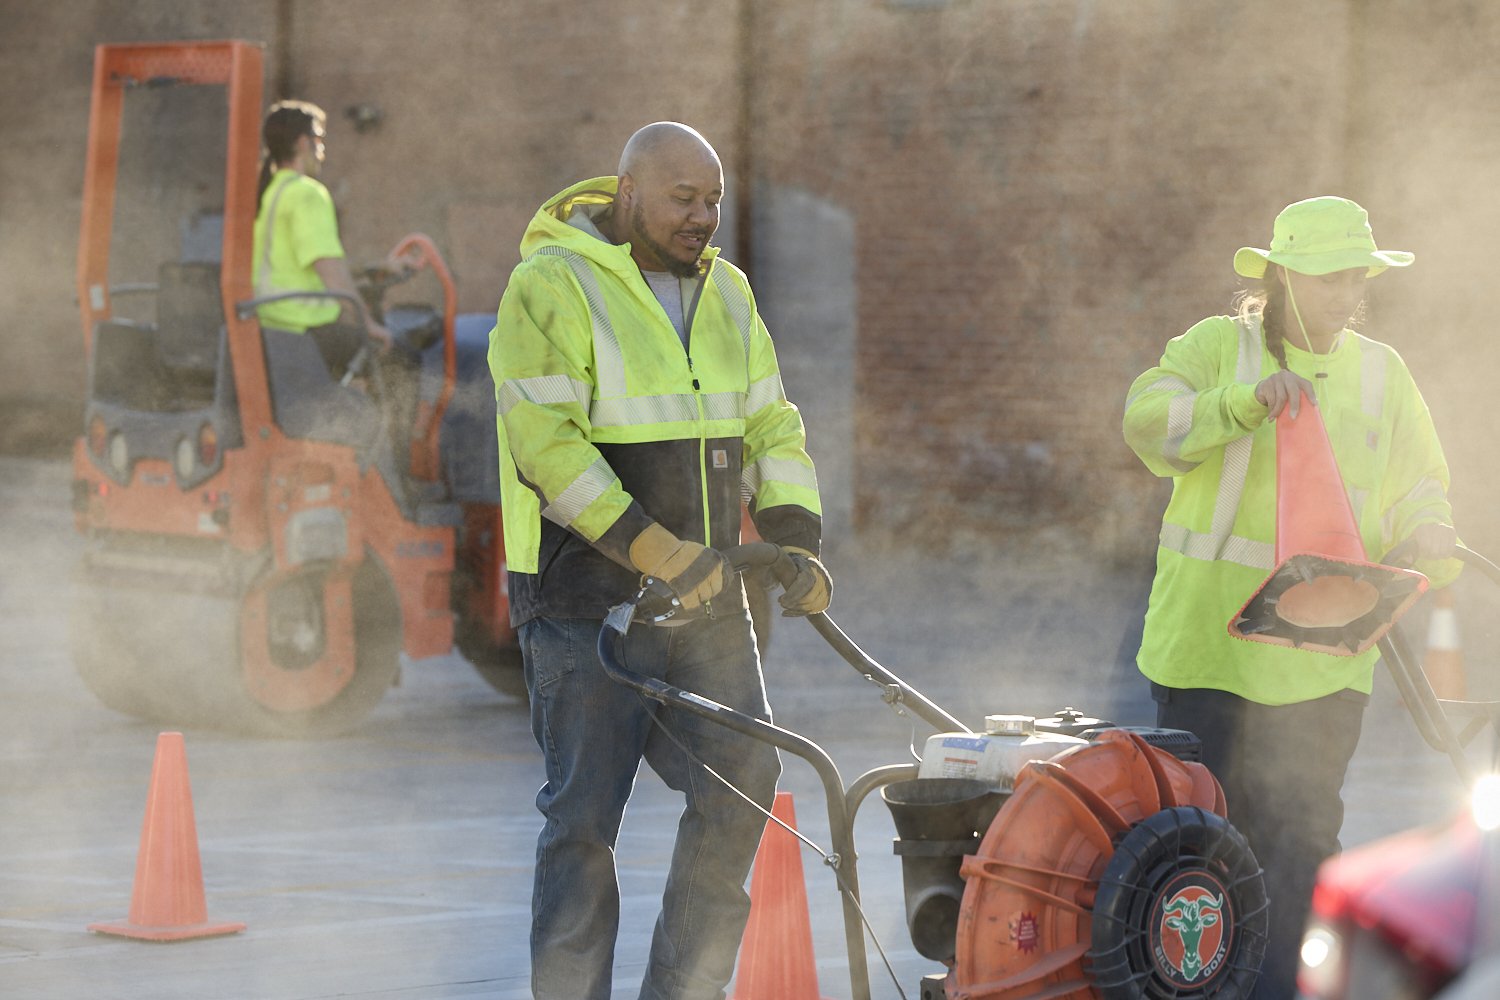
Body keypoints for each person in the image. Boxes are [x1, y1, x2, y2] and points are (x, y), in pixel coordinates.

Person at [489, 121, 832, 1000]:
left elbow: (772, 423)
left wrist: (796, 540)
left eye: (714, 200)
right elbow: (549, 449)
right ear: (629, 191)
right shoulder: (550, 285)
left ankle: (683, 991)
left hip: (709, 599)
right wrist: (653, 548)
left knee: (744, 780)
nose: (703, 217)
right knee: (583, 823)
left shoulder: (727, 292)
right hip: (584, 603)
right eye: (685, 198)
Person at [1123, 195, 1461, 998]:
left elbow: (1421, 483)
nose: (1347, 292)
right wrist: (1238, 406)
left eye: (1356, 276)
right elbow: (1145, 422)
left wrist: (1430, 530)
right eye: (1328, 277)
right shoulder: (1217, 349)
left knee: (1300, 846)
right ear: (1280, 278)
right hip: (1208, 656)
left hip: (1324, 662)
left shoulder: (1382, 373)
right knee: (1201, 859)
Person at [252, 100, 390, 378]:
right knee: (401, 358)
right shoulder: (307, 194)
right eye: (320, 140)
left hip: (272, 323)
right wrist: (367, 324)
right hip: (305, 328)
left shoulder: (271, 193)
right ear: (304, 143)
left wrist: (376, 267)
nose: (322, 150)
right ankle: (392, 422)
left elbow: (300, 266)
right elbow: (330, 272)